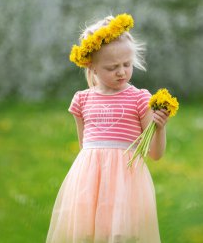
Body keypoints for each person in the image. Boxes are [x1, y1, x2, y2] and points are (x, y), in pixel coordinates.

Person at [46, 13, 168, 243]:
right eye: (112, 67)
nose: (122, 72)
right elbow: (85, 147)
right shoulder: (82, 100)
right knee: (88, 234)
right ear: (92, 67)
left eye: (127, 65)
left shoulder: (140, 99)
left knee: (121, 234)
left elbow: (155, 154)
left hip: (126, 183)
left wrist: (159, 129)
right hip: (88, 183)